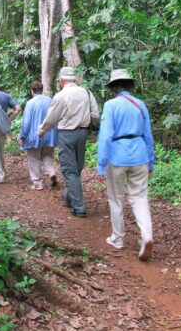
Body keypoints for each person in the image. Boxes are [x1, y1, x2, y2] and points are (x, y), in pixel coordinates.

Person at [97, 69, 156, 261]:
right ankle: (146, 236)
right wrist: (151, 160)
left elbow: (105, 136)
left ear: (114, 87)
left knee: (116, 198)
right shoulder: (140, 105)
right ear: (130, 85)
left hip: (117, 156)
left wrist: (101, 163)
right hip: (139, 155)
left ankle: (118, 239)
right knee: (139, 198)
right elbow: (148, 135)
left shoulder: (110, 105)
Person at [38, 67, 99, 217]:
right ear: (74, 79)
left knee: (69, 170)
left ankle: (79, 208)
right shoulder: (86, 92)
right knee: (77, 167)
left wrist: (42, 130)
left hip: (66, 134)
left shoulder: (61, 95)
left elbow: (52, 118)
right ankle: (68, 197)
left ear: (61, 80)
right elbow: (95, 115)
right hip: (83, 133)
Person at [19, 81, 59, 191]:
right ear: (42, 90)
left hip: (34, 136)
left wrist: (22, 136)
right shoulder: (50, 101)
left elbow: (26, 122)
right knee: (47, 156)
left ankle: (37, 183)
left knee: (34, 158)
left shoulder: (30, 103)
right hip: (49, 135)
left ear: (32, 91)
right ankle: (52, 173)